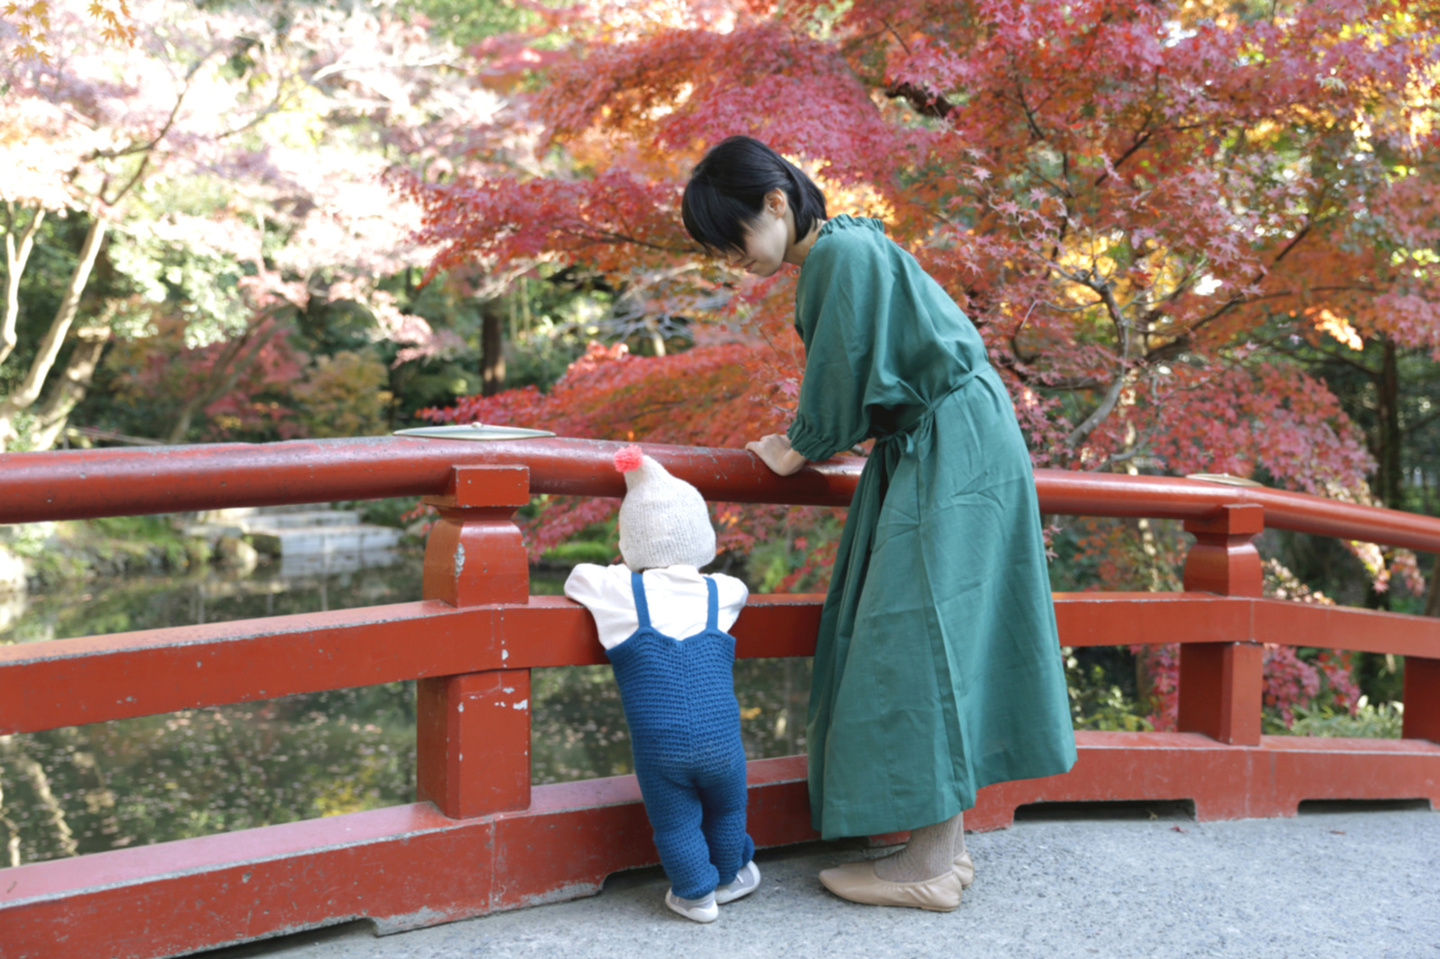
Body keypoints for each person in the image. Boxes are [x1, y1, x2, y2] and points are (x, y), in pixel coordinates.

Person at [681, 136, 1077, 912]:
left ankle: (926, 864)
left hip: (950, 442)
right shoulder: (852, 244)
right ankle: (944, 852)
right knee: (935, 630)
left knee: (917, 634)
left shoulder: (837, 255)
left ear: (775, 202)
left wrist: (795, 444)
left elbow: (841, 377)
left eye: (735, 241)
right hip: (952, 438)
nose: (735, 263)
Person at [564, 445, 762, 923]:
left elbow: (577, 579)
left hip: (660, 746)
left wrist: (624, 567)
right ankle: (731, 874)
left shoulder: (620, 593)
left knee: (674, 822)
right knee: (728, 809)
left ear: (633, 544)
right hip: (723, 741)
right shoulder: (724, 592)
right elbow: (739, 588)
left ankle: (695, 894)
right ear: (703, 541)